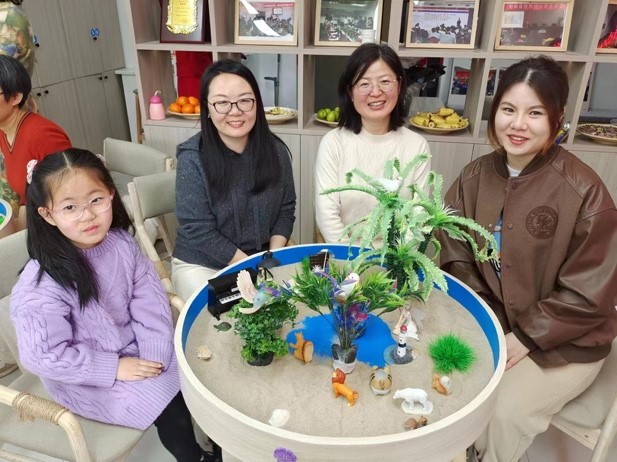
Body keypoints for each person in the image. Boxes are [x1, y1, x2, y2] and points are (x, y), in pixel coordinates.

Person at [438, 56, 617, 462]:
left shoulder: (585, 191)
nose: (518, 124)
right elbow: (455, 253)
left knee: (504, 412)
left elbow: (590, 294)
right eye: (508, 109)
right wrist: (491, 322)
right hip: (498, 324)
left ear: (557, 118)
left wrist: (525, 336)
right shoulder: (474, 177)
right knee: (450, 383)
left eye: (534, 113)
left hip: (568, 341)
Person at [11, 149, 222, 462]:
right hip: (86, 376)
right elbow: (43, 356)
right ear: (47, 214)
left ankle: (221, 446)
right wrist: (112, 368)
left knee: (204, 376)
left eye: (96, 199)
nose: (87, 215)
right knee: (167, 400)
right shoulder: (41, 284)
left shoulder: (121, 243)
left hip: (137, 348)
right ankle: (194, 458)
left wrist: (154, 351)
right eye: (69, 207)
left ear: (111, 194)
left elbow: (149, 301)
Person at [173, 59, 296, 301]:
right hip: (203, 264)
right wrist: (250, 269)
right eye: (222, 103)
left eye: (244, 100)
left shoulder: (276, 151)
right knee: (242, 312)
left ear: (257, 104)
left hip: (261, 259)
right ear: (207, 108)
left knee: (295, 301)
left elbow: (285, 209)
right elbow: (198, 230)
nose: (235, 111)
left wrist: (270, 257)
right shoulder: (193, 158)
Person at [315, 43, 430, 243]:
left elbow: (418, 216)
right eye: (364, 84)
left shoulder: (417, 146)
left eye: (385, 81)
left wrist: (396, 258)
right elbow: (327, 216)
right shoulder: (333, 143)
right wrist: (351, 258)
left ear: (399, 85)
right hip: (345, 254)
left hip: (399, 257)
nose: (375, 92)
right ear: (350, 92)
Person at [0, 55, 71, 229]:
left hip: (61, 225)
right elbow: (29, 192)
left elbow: (70, 194)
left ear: (15, 97)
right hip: (37, 217)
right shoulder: (4, 132)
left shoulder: (42, 135)